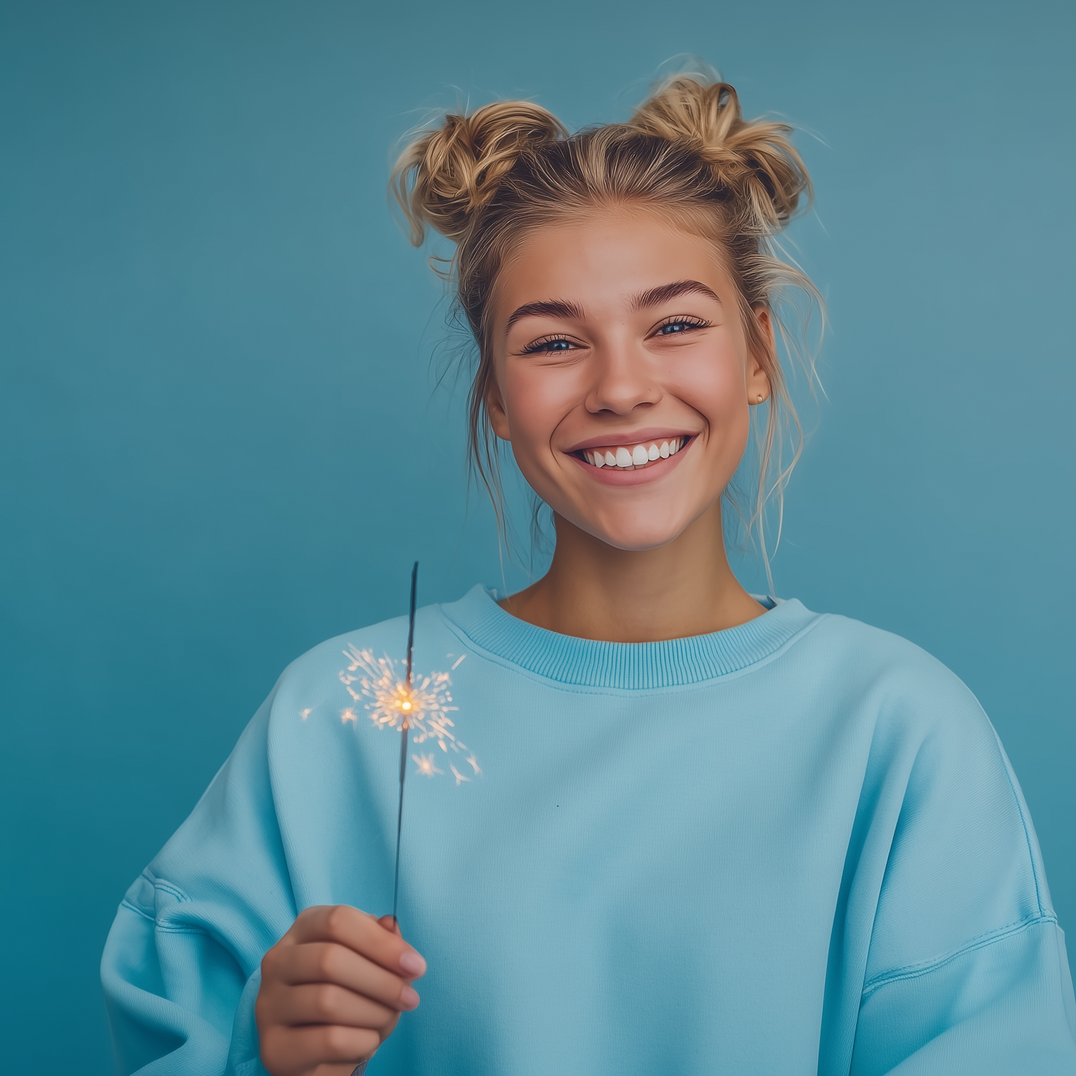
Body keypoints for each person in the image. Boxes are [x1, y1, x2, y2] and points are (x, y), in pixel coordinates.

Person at [101, 72, 1076, 1076]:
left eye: (674, 324)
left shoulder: (898, 731)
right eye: (555, 342)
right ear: (493, 394)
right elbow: (171, 1036)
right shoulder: (341, 715)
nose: (619, 386)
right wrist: (256, 1049)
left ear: (757, 354)